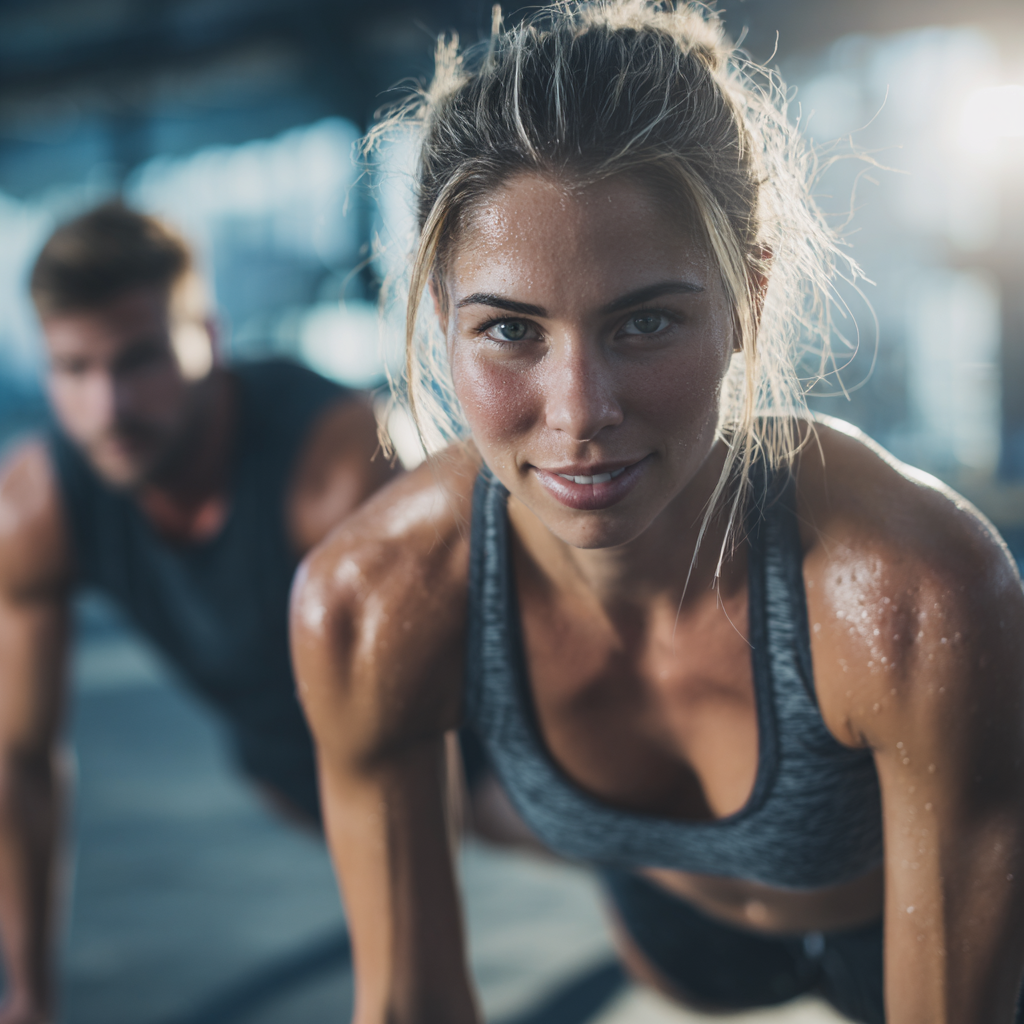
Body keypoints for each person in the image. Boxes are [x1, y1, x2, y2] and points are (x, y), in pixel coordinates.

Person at [291, 2, 1024, 1022]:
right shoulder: (369, 601)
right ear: (438, 322)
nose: (582, 410)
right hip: (676, 941)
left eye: (645, 321)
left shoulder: (908, 592)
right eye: (509, 329)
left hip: (901, 925)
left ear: (746, 301)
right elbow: (404, 1002)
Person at [0, 202, 397, 1024]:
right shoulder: (39, 509)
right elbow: (20, 763)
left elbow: (420, 743)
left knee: (686, 930)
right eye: (74, 369)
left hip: (469, 741)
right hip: (288, 771)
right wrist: (31, 998)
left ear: (206, 341)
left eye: (138, 359)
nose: (107, 406)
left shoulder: (332, 464)